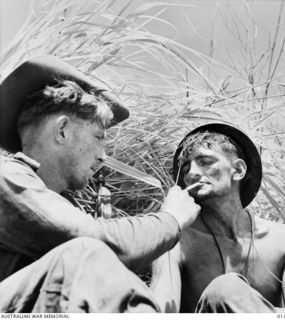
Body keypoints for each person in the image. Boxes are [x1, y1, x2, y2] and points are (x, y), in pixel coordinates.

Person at [0, 55, 200, 312]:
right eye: (98, 137)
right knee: (84, 254)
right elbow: (90, 240)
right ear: (62, 130)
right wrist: (170, 219)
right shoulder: (6, 176)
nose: (103, 156)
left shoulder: (59, 203)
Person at [150, 123, 285, 313]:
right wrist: (166, 222)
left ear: (238, 170)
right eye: (186, 168)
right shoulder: (174, 241)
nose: (192, 173)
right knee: (225, 289)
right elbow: (160, 314)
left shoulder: (284, 239)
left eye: (205, 161)